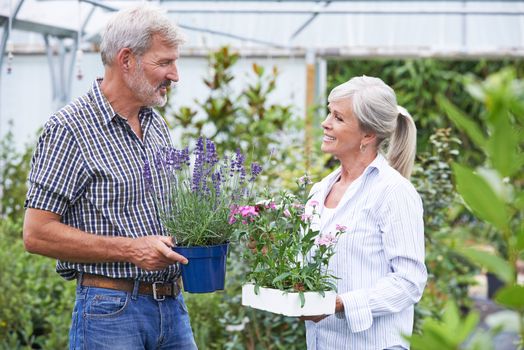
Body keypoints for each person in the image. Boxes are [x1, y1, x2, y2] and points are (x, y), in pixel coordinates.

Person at [23, 4, 197, 349]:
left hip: (172, 308)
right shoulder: (70, 129)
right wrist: (131, 250)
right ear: (127, 59)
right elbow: (36, 233)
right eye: (164, 62)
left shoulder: (154, 122)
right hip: (111, 313)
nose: (175, 74)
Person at [303, 76, 427, 349]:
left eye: (338, 117)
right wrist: (267, 247)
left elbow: (409, 282)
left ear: (368, 135)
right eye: (328, 112)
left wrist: (342, 304)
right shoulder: (319, 190)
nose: (325, 122)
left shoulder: (393, 192)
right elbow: (308, 268)